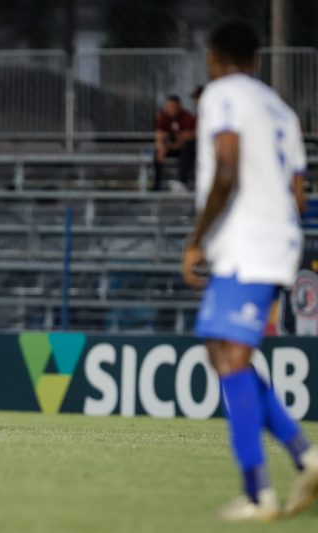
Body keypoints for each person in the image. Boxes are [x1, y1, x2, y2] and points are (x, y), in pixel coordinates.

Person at [181, 20, 318, 521]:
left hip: (248, 241)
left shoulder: (222, 93)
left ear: (214, 58)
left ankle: (258, 492)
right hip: (275, 239)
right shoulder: (280, 108)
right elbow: (299, 193)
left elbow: (227, 164)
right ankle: (306, 456)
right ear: (257, 60)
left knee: (230, 356)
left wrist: (197, 240)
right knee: (222, 351)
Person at [154, 95, 196, 191]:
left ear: (179, 106)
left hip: (183, 147)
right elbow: (159, 135)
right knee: (157, 154)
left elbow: (188, 136)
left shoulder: (186, 116)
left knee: (186, 153)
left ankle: (183, 183)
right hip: (171, 146)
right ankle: (157, 184)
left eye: (174, 106)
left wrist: (177, 142)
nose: (172, 109)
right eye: (170, 106)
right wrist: (161, 147)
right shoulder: (163, 117)